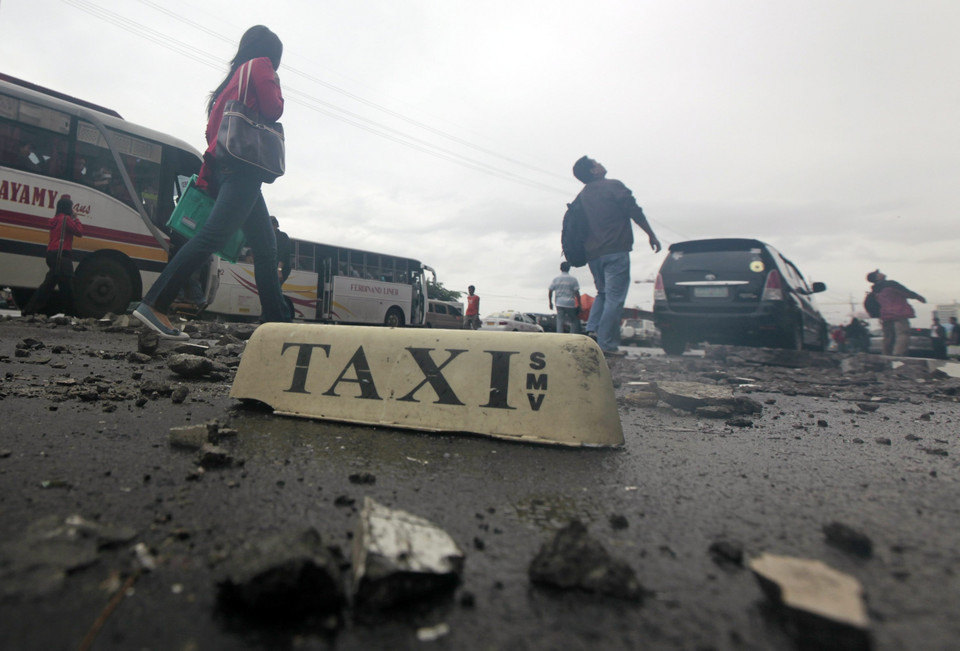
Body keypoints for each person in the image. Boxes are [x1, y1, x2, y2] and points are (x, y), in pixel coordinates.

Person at [134, 25, 289, 340]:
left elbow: (211, 134)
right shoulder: (261, 67)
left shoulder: (230, 83)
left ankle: (276, 320)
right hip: (243, 171)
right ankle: (155, 302)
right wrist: (276, 81)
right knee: (211, 238)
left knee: (265, 246)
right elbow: (274, 109)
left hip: (232, 169)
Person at [571, 156, 661, 356]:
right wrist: (650, 234)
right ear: (594, 171)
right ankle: (607, 344)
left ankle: (592, 331)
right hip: (615, 250)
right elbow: (634, 210)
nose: (600, 163)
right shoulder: (613, 186)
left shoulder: (583, 195)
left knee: (602, 294)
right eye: (596, 162)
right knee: (614, 298)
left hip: (593, 254)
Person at [22, 195, 83, 316]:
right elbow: (79, 232)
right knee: (62, 285)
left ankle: (31, 310)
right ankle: (30, 309)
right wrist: (76, 218)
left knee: (60, 284)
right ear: (68, 208)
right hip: (62, 256)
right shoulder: (66, 219)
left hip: (52, 254)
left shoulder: (55, 219)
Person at [866, 269, 926, 356]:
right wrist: (918, 297)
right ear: (877, 277)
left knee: (888, 337)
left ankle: (887, 354)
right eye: (878, 273)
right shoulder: (891, 284)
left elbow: (870, 304)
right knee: (903, 333)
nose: (881, 273)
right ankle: (898, 354)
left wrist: (876, 314)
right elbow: (906, 292)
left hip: (885, 315)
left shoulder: (875, 290)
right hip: (899, 313)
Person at [548, 261, 581, 334]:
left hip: (559, 303)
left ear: (560, 268)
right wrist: (579, 304)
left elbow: (550, 290)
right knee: (574, 320)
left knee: (560, 320)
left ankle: (559, 335)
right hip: (570, 303)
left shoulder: (556, 279)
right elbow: (577, 293)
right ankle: (572, 334)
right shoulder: (573, 279)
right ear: (569, 268)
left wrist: (550, 302)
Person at [271, 216, 292, 284]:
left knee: (275, 288)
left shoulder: (283, 236)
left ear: (276, 225)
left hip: (282, 268)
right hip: (272, 266)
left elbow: (283, 255)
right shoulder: (269, 236)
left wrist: (279, 270)